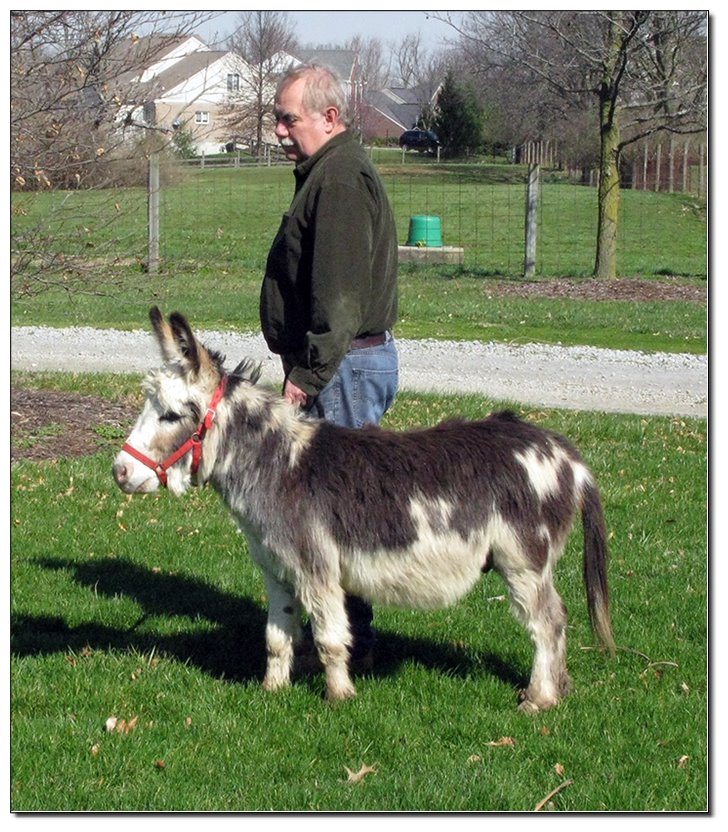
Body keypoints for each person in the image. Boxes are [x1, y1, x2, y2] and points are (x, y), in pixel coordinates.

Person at [260, 62, 399, 669]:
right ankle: (337, 634)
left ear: (330, 117)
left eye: (288, 119)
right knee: (330, 510)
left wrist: (306, 377)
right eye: (278, 119)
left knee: (343, 512)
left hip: (342, 369)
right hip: (339, 366)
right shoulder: (326, 172)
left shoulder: (338, 180)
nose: (279, 130)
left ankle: (351, 643)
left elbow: (339, 301)